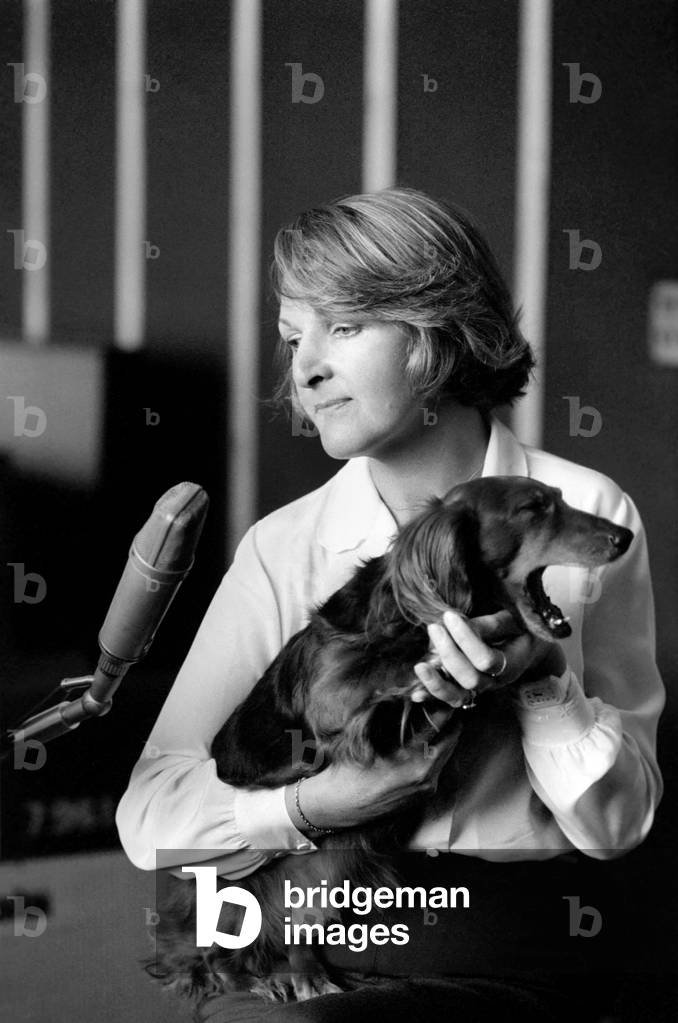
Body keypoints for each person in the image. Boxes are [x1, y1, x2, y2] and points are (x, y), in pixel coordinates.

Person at [116, 187, 664, 1022]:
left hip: (520, 954)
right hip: (319, 950)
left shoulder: (589, 510)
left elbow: (618, 825)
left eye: (343, 326)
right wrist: (304, 807)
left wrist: (541, 680)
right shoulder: (283, 546)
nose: (304, 367)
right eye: (293, 338)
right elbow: (151, 818)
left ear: (437, 330)